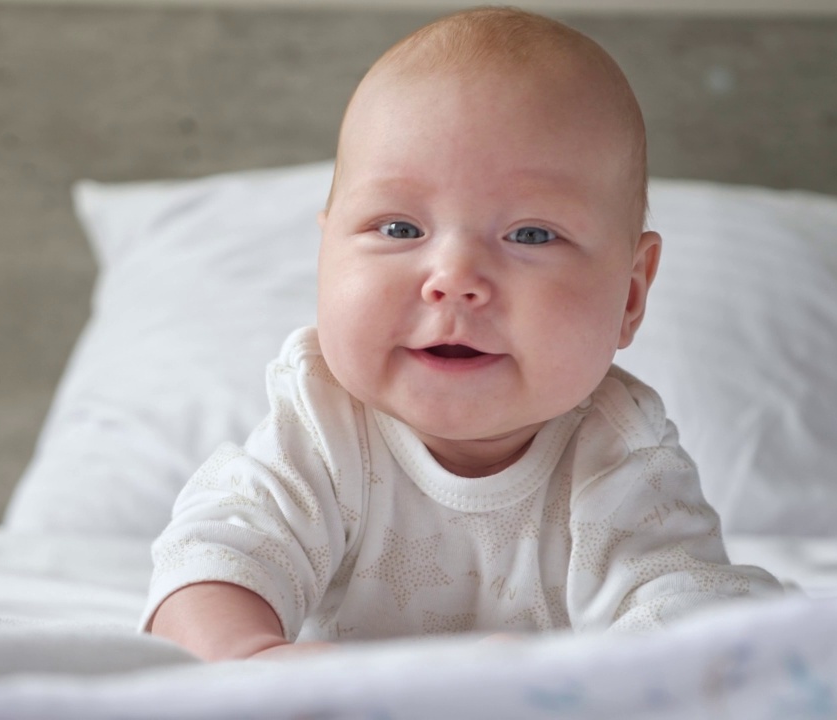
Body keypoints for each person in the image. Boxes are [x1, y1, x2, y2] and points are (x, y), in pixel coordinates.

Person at [143, 6, 780, 662]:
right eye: (398, 228)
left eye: (531, 234)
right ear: (325, 254)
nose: (453, 278)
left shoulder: (620, 455)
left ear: (631, 294)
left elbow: (693, 621)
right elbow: (211, 562)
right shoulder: (323, 430)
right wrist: (250, 658)